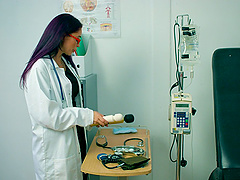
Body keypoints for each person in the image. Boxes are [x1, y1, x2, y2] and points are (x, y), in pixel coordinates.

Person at [20, 13, 109, 180]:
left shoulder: (67, 63)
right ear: (62, 36)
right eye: (77, 39)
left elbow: (74, 103)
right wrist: (87, 116)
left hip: (77, 143)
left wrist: (90, 120)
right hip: (56, 154)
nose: (79, 44)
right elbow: (49, 116)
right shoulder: (39, 68)